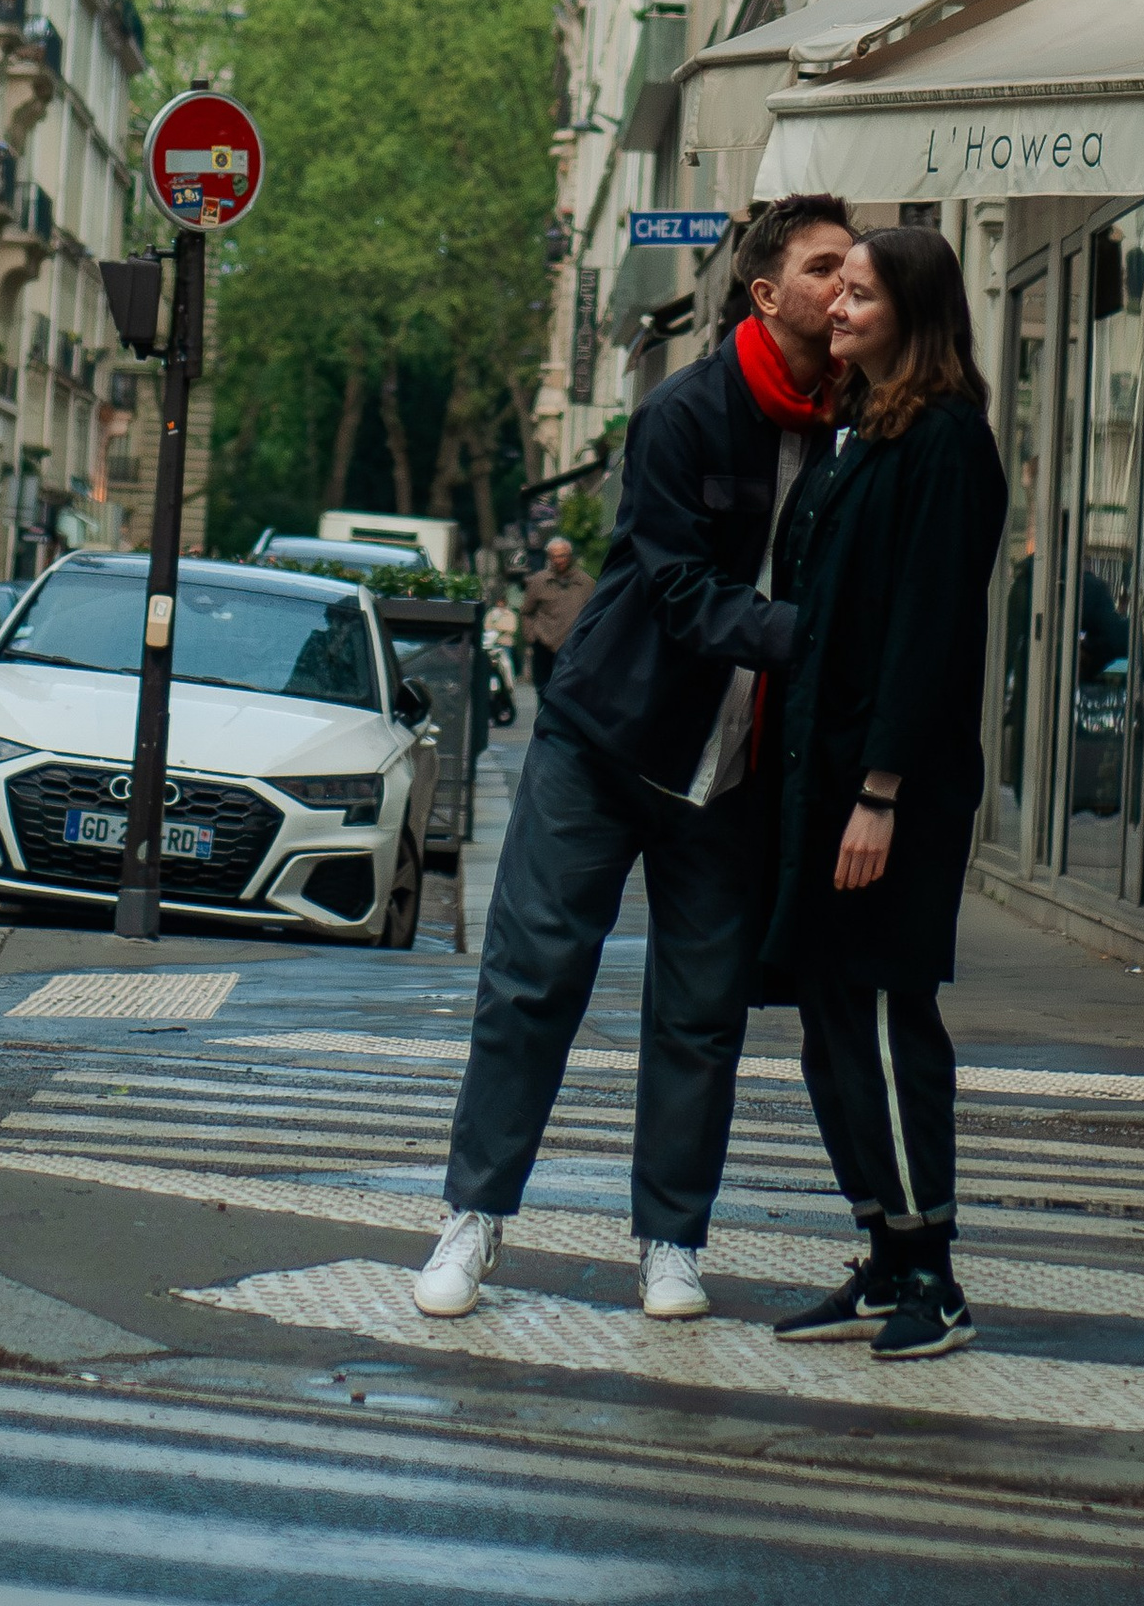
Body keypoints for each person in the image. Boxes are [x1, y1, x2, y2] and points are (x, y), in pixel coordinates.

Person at [415, 191, 855, 1328]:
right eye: (824, 269)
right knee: (532, 979)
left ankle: (670, 1239)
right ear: (767, 294)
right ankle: (472, 1216)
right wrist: (809, 640)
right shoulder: (683, 413)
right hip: (607, 739)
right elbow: (672, 586)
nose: (846, 285)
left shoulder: (859, 426)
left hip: (735, 769)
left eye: (854, 269)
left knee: (701, 1012)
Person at [762, 227, 1006, 1363]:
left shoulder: (946, 441)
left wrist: (880, 791)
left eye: (859, 294)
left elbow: (929, 630)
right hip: (830, 773)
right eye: (838, 291)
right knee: (828, 1020)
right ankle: (882, 1246)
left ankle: (933, 1273)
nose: (839, 309)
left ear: (911, 310)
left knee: (879, 1013)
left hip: (887, 788)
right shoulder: (863, 425)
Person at [514, 533, 593, 691]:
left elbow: (595, 613)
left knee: (571, 692)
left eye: (562, 556)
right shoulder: (539, 581)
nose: (558, 561)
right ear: (549, 557)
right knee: (544, 691)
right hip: (544, 645)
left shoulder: (586, 583)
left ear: (570, 556)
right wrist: (531, 636)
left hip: (574, 647)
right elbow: (526, 612)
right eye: (554, 556)